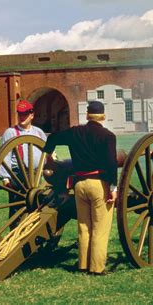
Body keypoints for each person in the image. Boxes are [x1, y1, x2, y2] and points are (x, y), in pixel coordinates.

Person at [43, 101, 118, 275]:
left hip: (79, 185)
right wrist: (113, 188)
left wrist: (48, 154)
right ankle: (97, 268)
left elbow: (53, 137)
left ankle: (82, 265)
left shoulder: (75, 132)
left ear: (87, 115)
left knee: (84, 227)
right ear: (103, 116)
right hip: (99, 184)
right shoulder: (108, 136)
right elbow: (111, 164)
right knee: (100, 228)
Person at [0, 100, 47, 225]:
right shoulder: (11, 132)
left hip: (36, 176)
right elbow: (4, 156)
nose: (22, 117)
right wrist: (5, 177)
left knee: (36, 206)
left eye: (25, 114)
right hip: (18, 175)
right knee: (17, 209)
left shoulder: (38, 132)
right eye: (20, 114)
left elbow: (45, 151)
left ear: (32, 115)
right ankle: (15, 236)